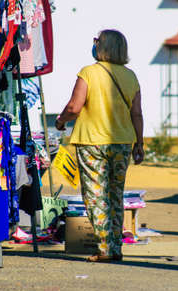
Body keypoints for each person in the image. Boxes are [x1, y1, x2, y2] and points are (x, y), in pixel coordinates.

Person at [55, 29, 144, 262]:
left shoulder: (88, 73)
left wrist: (60, 120)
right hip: (122, 141)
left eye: (96, 42)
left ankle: (105, 249)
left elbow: (74, 107)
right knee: (115, 195)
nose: (93, 45)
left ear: (102, 47)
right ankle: (115, 248)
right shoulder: (131, 76)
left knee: (96, 196)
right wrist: (140, 144)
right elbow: (137, 114)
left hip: (92, 142)